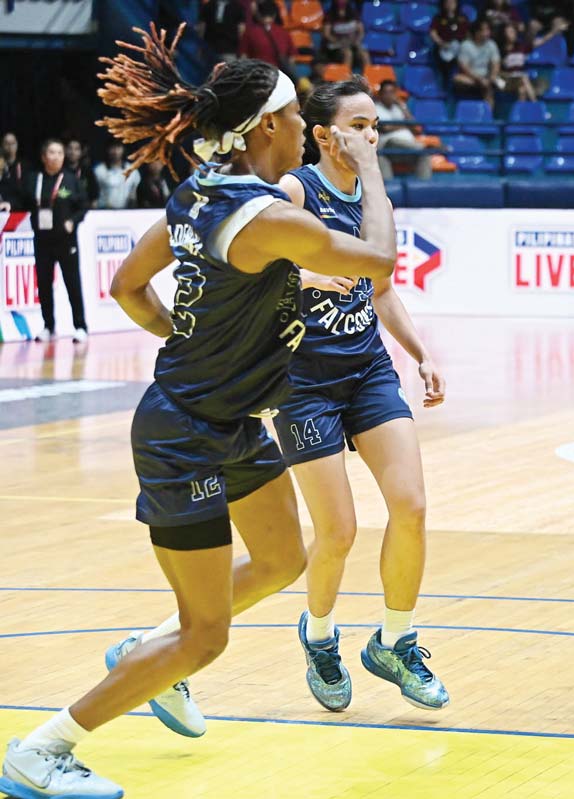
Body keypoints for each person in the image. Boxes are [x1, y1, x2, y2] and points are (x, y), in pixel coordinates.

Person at [0, 25, 395, 799]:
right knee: (207, 633)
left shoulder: (199, 194)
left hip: (228, 420)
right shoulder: (272, 219)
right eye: (290, 117)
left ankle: (148, 651)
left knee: (285, 558)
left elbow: (125, 286)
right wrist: (373, 172)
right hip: (184, 435)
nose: (295, 129)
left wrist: (190, 336)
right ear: (270, 129)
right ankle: (41, 750)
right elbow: (378, 261)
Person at [272, 77, 449, 713]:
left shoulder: (376, 198)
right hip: (302, 382)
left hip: (367, 369)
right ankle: (319, 636)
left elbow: (382, 286)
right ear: (323, 135)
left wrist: (421, 353)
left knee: (413, 505)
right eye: (359, 125)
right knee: (338, 531)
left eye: (375, 124)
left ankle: (395, 641)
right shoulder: (295, 190)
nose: (371, 135)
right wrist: (305, 272)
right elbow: (250, 263)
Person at [19, 139, 89, 343]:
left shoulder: (71, 179)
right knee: (43, 284)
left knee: (72, 283)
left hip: (66, 241)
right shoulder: (33, 179)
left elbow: (83, 205)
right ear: (43, 157)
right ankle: (48, 326)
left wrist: (72, 221)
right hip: (42, 240)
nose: (57, 156)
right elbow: (22, 201)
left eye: (60, 152)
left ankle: (80, 326)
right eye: (52, 152)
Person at [374, 80, 433, 179]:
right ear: (380, 94)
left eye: (392, 92)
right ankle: (425, 147)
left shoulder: (398, 108)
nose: (389, 95)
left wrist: (402, 106)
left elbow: (415, 127)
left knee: (424, 155)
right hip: (388, 145)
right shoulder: (376, 108)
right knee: (418, 149)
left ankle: (422, 188)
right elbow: (386, 128)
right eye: (386, 92)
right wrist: (405, 126)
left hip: (407, 148)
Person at [239, 0, 297, 77]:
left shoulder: (249, 32)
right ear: (274, 15)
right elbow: (291, 58)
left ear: (258, 14)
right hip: (278, 73)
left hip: (257, 73)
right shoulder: (283, 32)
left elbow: (243, 56)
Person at [454, 20, 501, 108]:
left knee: (498, 83)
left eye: (488, 30)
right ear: (476, 33)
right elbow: (464, 67)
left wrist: (492, 76)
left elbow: (496, 64)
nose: (487, 33)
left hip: (487, 77)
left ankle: (489, 116)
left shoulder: (492, 44)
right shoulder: (466, 45)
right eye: (484, 30)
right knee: (457, 78)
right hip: (471, 78)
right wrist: (479, 79)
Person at [321, 0, 371, 71]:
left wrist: (357, 40)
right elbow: (327, 34)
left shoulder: (354, 14)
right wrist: (338, 41)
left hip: (352, 43)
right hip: (336, 44)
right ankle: (346, 78)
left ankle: (368, 77)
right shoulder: (330, 15)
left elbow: (361, 32)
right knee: (348, 53)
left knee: (364, 54)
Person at [430, 0, 471, 86]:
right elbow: (433, 33)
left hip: (461, 48)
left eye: (452, 3)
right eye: (447, 3)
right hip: (444, 47)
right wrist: (441, 43)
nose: (450, 5)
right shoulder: (438, 18)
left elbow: (469, 34)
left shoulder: (463, 18)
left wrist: (465, 45)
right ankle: (445, 82)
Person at [94, 142, 142, 209]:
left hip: (127, 211)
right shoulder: (99, 170)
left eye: (118, 147)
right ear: (107, 150)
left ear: (123, 149)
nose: (115, 151)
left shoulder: (132, 170)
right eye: (112, 148)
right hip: (104, 211)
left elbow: (135, 193)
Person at [64, 138, 99, 207]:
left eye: (76, 149)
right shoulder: (60, 171)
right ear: (65, 150)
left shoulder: (87, 172)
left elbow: (94, 195)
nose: (72, 152)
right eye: (70, 148)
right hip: (63, 209)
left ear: (81, 152)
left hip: (83, 210)